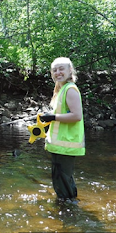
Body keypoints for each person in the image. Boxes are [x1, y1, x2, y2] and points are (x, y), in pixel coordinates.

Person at [39, 57, 85, 202]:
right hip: (60, 146)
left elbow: (77, 116)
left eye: (61, 69)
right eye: (54, 70)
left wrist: (52, 117)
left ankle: (69, 214)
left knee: (63, 183)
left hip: (67, 145)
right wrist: (48, 118)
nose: (57, 72)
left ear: (70, 70)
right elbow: (61, 116)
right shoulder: (61, 89)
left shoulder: (70, 89)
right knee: (61, 181)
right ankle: (69, 210)